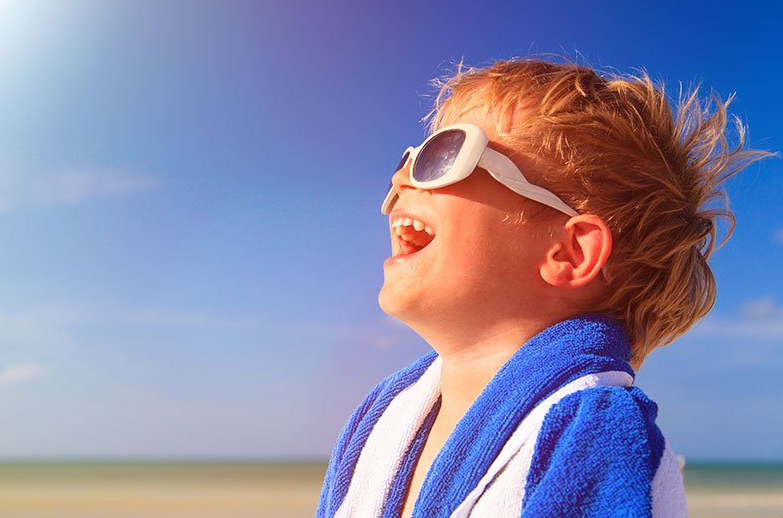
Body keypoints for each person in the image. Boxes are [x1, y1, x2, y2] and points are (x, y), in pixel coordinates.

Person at [316, 58, 767, 518]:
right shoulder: (383, 418)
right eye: (409, 158)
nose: (400, 179)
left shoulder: (594, 435)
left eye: (444, 156)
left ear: (570, 253)